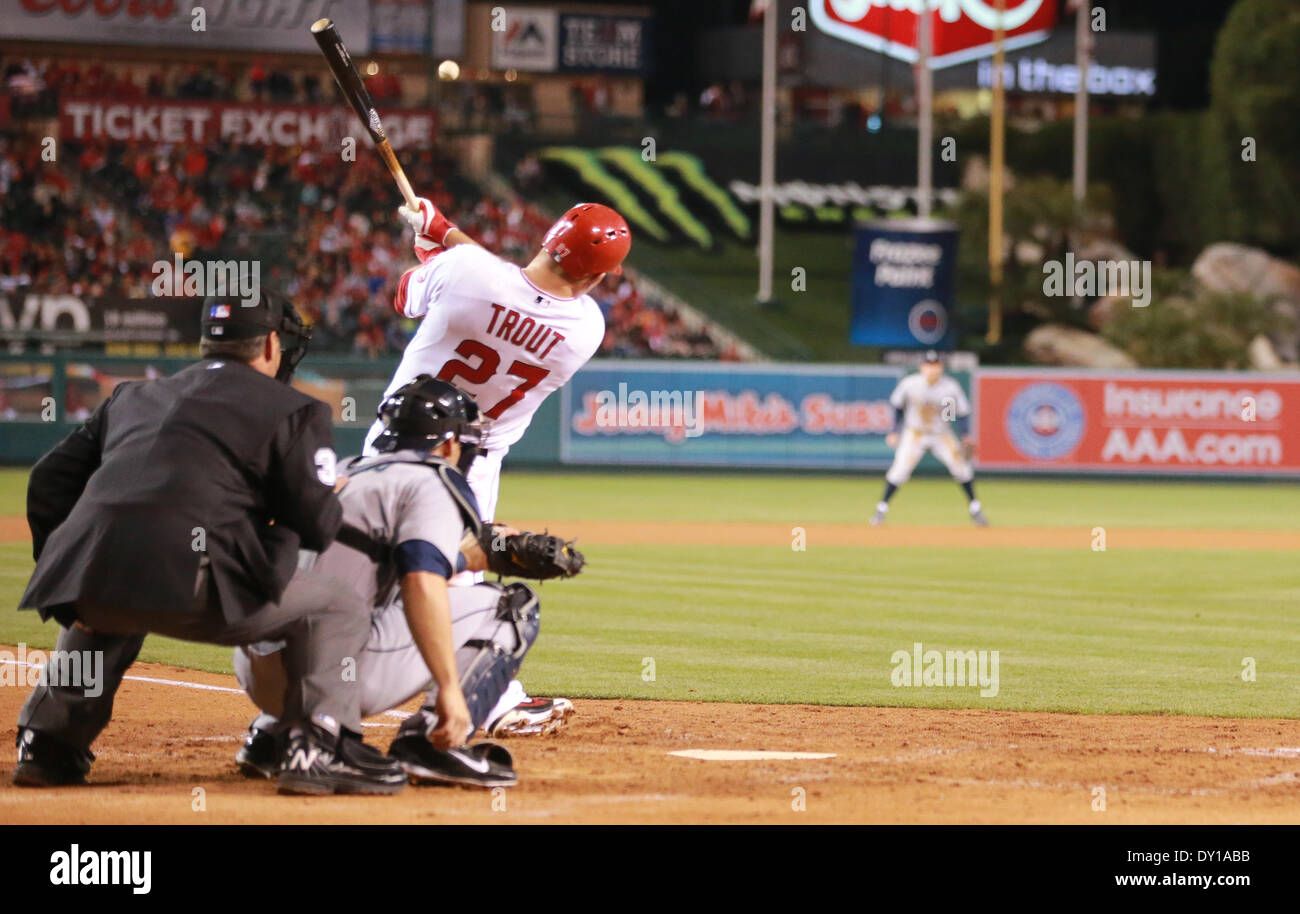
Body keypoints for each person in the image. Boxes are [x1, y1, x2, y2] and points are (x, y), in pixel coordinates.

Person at [13, 291, 406, 796]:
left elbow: (47, 481)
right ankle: (318, 748)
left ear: (206, 343)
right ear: (270, 343)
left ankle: (46, 744)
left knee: (112, 581)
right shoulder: (297, 409)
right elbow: (314, 524)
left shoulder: (131, 396)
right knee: (337, 604)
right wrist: (324, 495)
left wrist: (66, 575)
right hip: (200, 590)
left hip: (93, 586)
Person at [365, 196, 631, 736]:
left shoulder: (466, 270)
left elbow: (410, 294)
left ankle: (307, 694)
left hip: (391, 444)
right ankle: (482, 700)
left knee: (369, 565)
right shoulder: (586, 329)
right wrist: (444, 235)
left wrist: (436, 243)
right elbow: (510, 289)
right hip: (472, 466)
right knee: (460, 578)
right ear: (597, 277)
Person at [233, 376, 544, 787]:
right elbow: (419, 581)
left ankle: (275, 734)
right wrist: (449, 689)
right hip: (333, 678)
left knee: (343, 590)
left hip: (257, 670)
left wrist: (462, 557)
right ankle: (430, 746)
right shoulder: (430, 478)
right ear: (450, 444)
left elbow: (372, 567)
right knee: (512, 607)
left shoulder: (345, 470)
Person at [872, 350, 988, 527]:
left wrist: (964, 435)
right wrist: (894, 431)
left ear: (941, 368)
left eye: (935, 366)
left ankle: (975, 509)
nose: (932, 369)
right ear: (922, 367)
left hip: (940, 434)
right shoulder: (910, 384)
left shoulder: (949, 387)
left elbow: (953, 416)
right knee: (900, 470)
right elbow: (898, 407)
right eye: (929, 366)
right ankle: (881, 510)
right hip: (915, 433)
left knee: (961, 468)